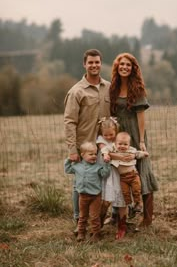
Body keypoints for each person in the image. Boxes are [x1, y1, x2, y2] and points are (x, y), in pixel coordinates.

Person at [64, 49, 110, 233]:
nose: (94, 65)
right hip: (84, 147)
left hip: (104, 146)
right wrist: (72, 149)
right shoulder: (76, 91)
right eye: (90, 62)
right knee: (80, 185)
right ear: (84, 64)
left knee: (103, 182)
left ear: (101, 63)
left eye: (97, 62)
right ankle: (78, 221)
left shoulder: (108, 87)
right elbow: (69, 121)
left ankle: (97, 220)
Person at [110, 52, 158, 227]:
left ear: (133, 69)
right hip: (119, 136)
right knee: (120, 172)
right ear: (117, 67)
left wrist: (142, 141)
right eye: (121, 64)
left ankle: (147, 218)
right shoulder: (113, 88)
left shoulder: (137, 88)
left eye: (128, 65)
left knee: (142, 171)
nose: (124, 67)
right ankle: (119, 215)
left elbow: (141, 116)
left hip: (136, 135)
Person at [64, 142, 111, 242]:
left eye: (95, 154)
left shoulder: (98, 167)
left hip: (95, 196)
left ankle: (96, 234)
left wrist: (107, 163)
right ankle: (81, 233)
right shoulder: (77, 166)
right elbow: (67, 169)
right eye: (91, 154)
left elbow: (105, 174)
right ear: (82, 155)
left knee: (94, 216)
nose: (94, 156)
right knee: (82, 216)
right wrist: (69, 159)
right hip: (82, 196)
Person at [102, 131, 149, 213]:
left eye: (125, 144)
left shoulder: (131, 150)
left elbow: (138, 154)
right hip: (123, 178)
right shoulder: (114, 149)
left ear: (129, 144)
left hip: (133, 175)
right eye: (120, 144)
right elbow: (104, 149)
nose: (122, 146)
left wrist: (144, 154)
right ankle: (130, 206)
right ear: (115, 143)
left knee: (136, 190)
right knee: (125, 193)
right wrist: (106, 154)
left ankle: (138, 204)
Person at [96, 117, 126, 227]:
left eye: (111, 135)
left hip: (117, 170)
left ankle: (122, 223)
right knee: (105, 200)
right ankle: (99, 222)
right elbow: (104, 150)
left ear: (116, 131)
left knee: (120, 196)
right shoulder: (100, 140)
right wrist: (107, 154)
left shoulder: (118, 139)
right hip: (106, 171)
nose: (108, 137)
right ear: (102, 134)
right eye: (106, 135)